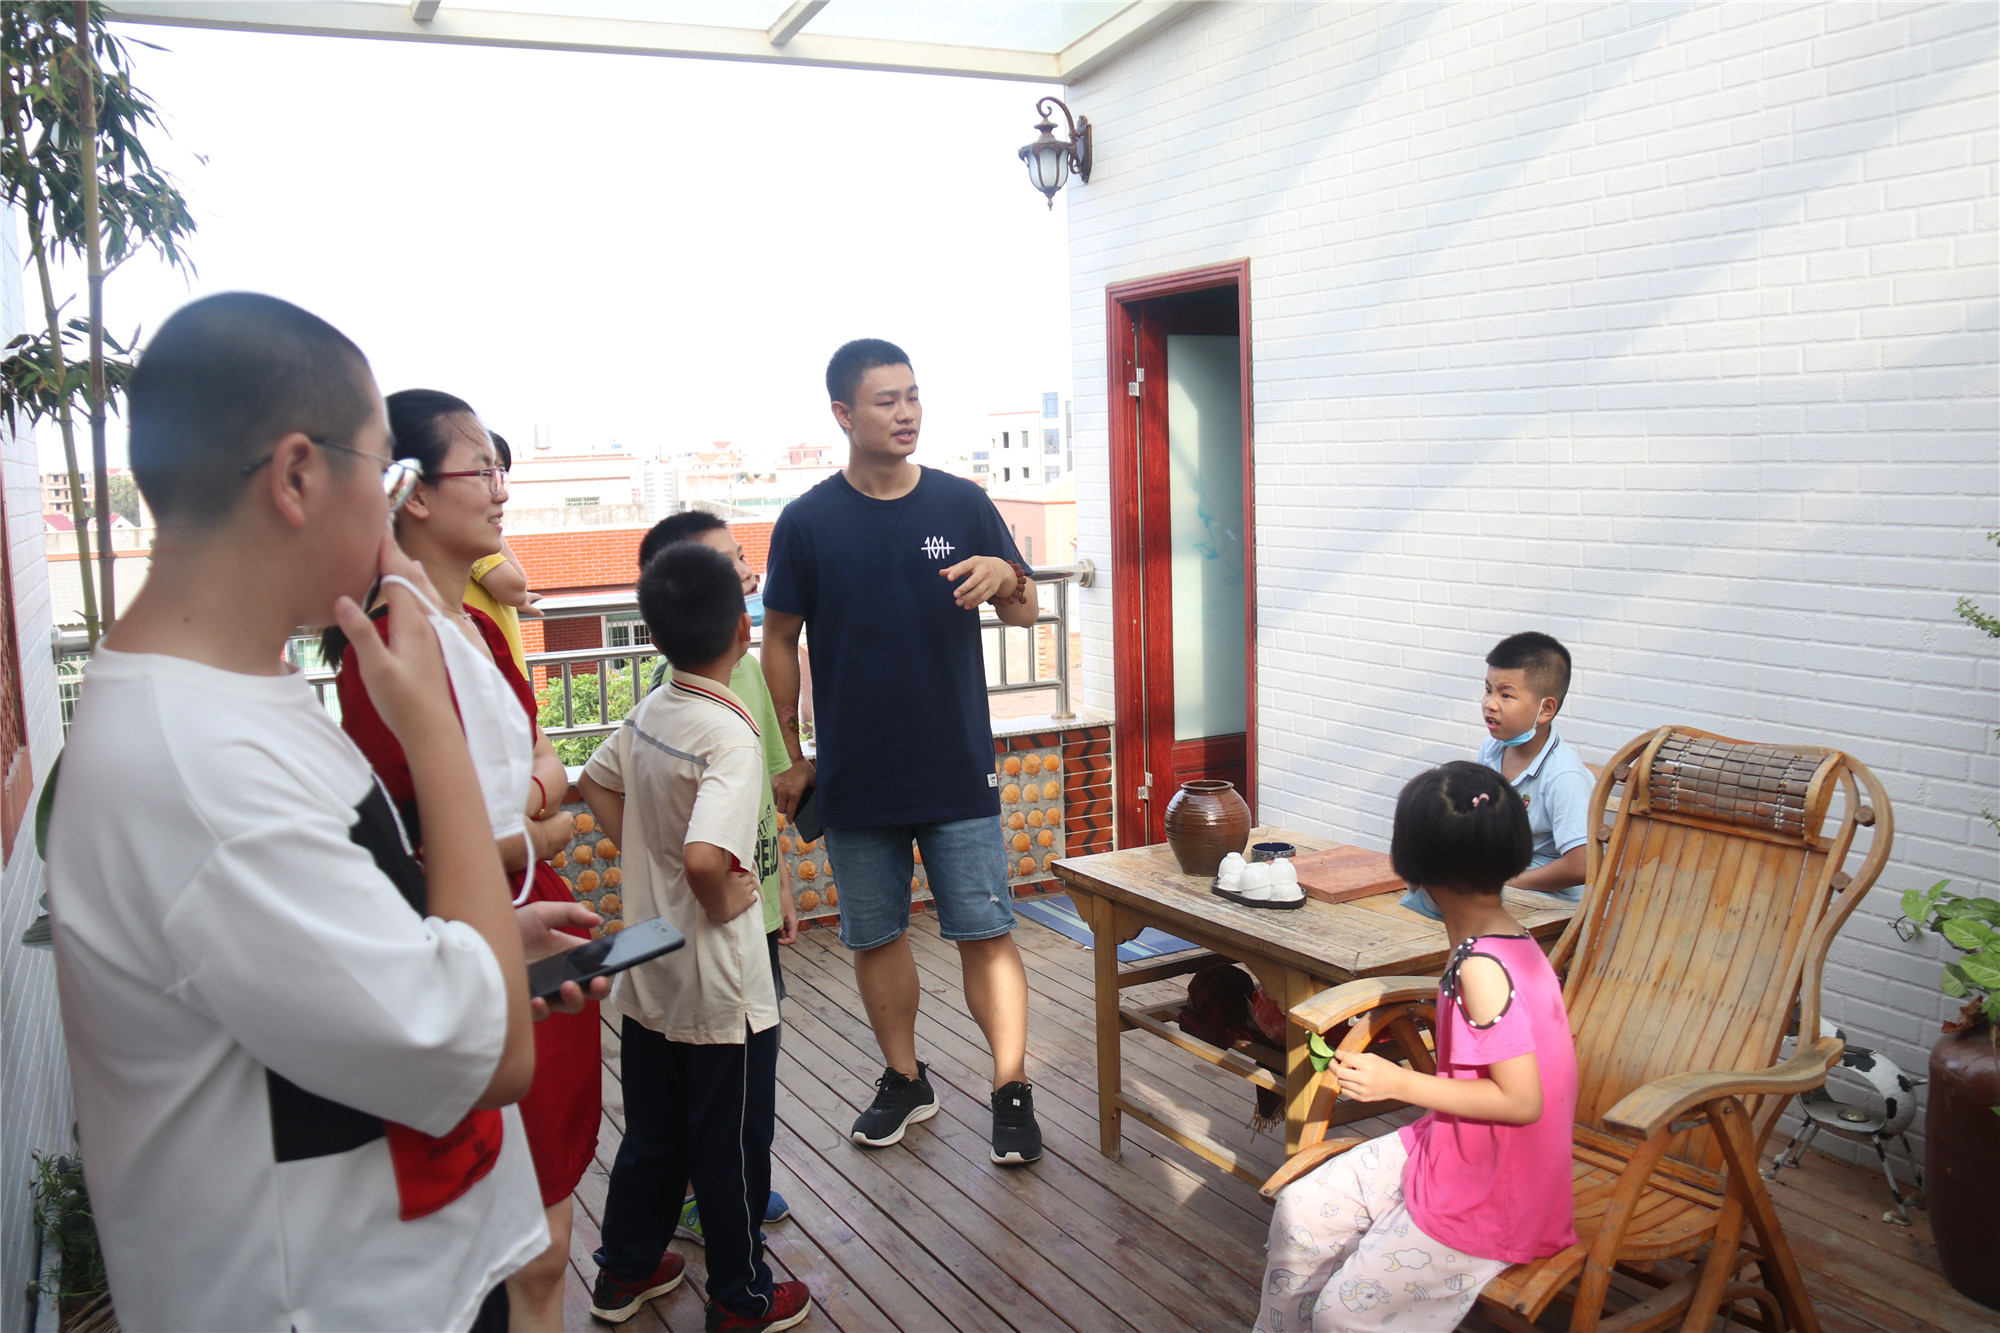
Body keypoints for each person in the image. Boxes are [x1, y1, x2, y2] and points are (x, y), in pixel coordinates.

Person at [45, 293, 596, 1332]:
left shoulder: (233, 697)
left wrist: (484, 942)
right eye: (385, 473)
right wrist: (432, 727)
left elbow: (327, 951)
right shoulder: (198, 766)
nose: (392, 511)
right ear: (297, 476)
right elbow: (488, 1056)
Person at [325, 390, 599, 1333]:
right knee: (522, 1248)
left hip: (529, 918)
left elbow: (545, 758)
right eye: (481, 468)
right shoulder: (386, 648)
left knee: (548, 1234)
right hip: (477, 934)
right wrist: (538, 833)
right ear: (413, 495)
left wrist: (527, 815)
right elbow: (416, 845)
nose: (501, 488)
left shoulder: (475, 628)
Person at [761, 338, 1044, 1165]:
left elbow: (1025, 609)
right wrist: (792, 753)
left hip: (955, 763)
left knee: (985, 930)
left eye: (913, 395)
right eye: (886, 400)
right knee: (875, 935)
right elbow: (777, 639)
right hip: (855, 773)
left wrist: (1007, 576)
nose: (906, 412)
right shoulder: (807, 521)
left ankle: (1011, 1087)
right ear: (843, 414)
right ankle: (905, 1076)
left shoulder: (962, 503)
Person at [578, 542, 813, 1332]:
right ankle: (741, 1297)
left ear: (655, 634)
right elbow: (710, 857)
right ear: (743, 633)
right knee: (732, 1144)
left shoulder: (652, 708)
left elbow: (593, 781)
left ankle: (625, 1268)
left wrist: (652, 860)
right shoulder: (729, 734)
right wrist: (712, 894)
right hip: (720, 987)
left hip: (651, 965)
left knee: (652, 1133)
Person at [1255, 762, 1578, 1332]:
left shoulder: (1482, 969)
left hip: (1494, 1191)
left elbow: (1522, 1100)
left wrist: (1397, 1082)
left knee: (1340, 1317)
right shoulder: (1507, 940)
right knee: (1302, 1209)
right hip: (1452, 1144)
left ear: (1413, 864)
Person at [635, 511, 809, 1243]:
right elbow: (681, 827)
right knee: (712, 1073)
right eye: (724, 560)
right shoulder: (677, 691)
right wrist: (684, 876)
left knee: (746, 1075)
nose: (742, 569)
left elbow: (767, 795)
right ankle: (716, 1204)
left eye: (740, 556)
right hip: (712, 921)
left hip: (753, 906)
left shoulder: (748, 672)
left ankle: (734, 1185)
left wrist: (781, 883)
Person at [1402, 632, 1593, 922]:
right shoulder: (1493, 748)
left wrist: (1504, 883)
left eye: (1506, 695)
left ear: (1545, 709)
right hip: (1501, 885)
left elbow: (1582, 866)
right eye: (1488, 690)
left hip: (1552, 905)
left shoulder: (1564, 776)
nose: (1490, 704)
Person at [462, 431, 539, 676]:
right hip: (491, 673)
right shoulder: (468, 537)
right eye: (485, 473)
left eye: (500, 472)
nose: (499, 491)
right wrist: (489, 522)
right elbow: (514, 587)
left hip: (495, 669)